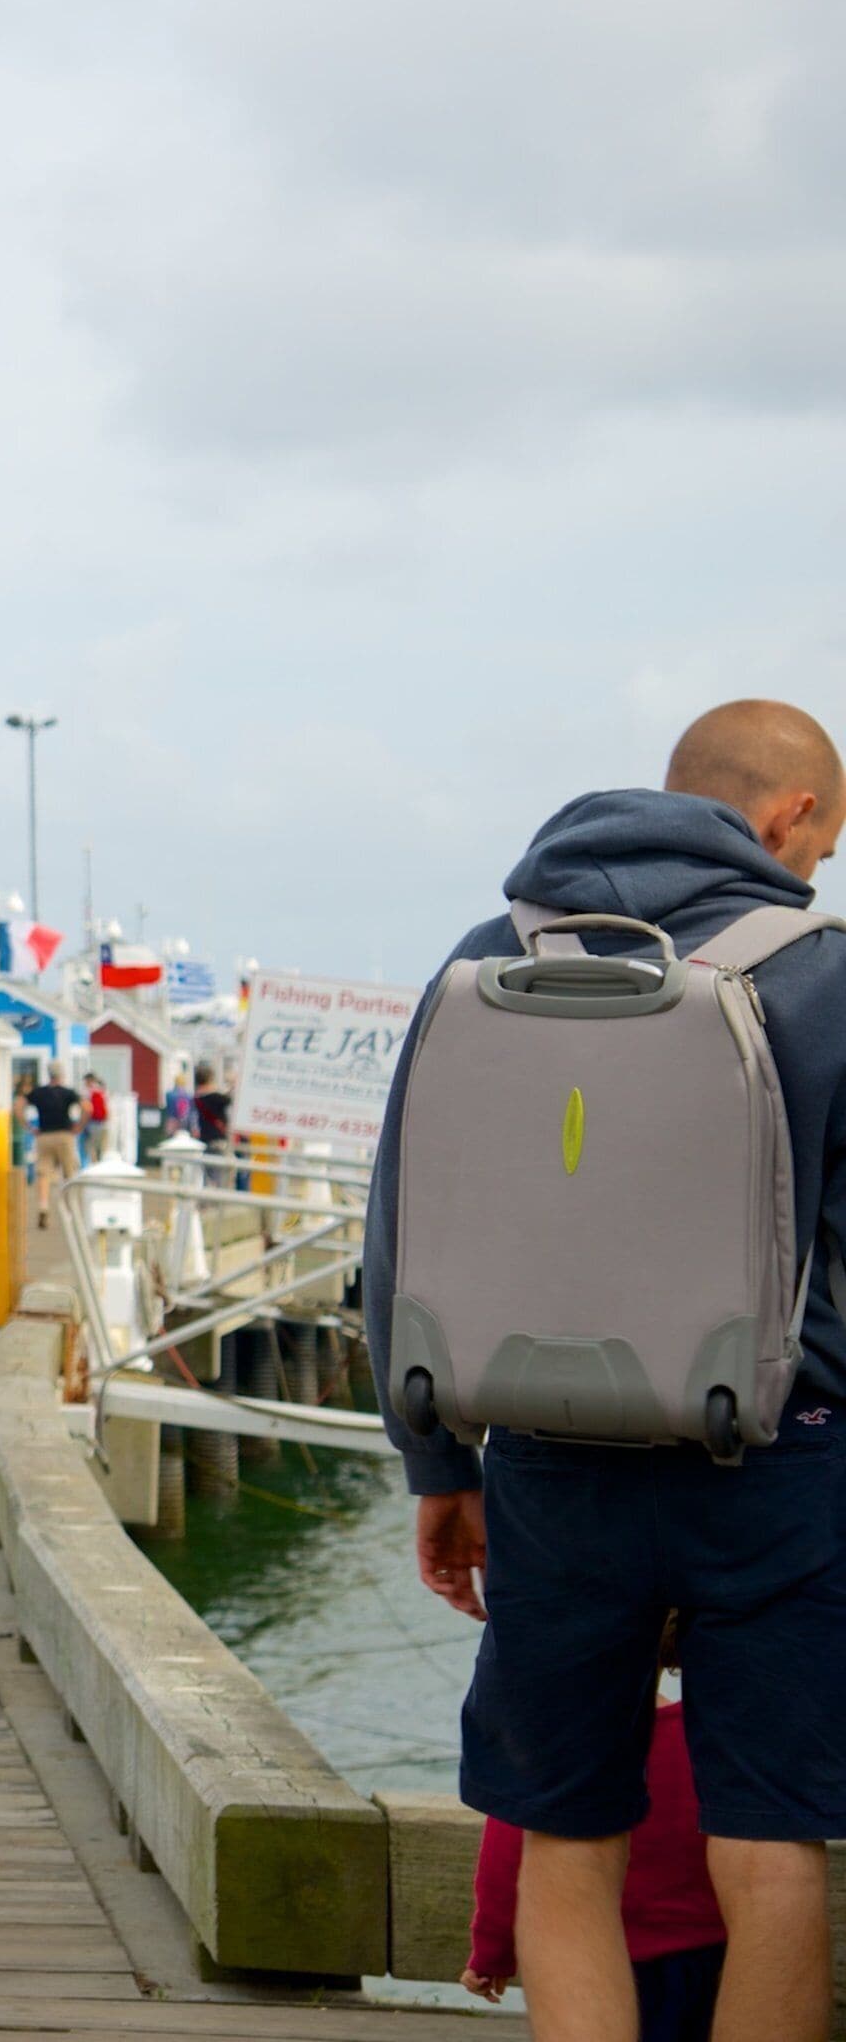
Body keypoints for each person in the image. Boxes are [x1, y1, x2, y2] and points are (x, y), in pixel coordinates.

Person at [368, 698, 846, 2041]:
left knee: (567, 1840)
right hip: (779, 1458)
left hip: (546, 1453)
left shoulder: (485, 957)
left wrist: (435, 1464)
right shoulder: (822, 970)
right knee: (772, 1851)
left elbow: (400, 1235)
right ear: (791, 816)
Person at [464, 1623, 724, 2041]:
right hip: (708, 1959)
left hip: (595, 1958)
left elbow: (504, 1861)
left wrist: (491, 1952)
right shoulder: (704, 1741)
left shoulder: (551, 1753)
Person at [24, 1067, 82, 1224]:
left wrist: (28, 1126)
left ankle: (43, 1207)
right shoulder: (68, 1093)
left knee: (43, 1173)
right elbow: (87, 1107)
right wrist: (79, 1126)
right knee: (69, 1172)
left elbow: (18, 1105)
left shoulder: (38, 1093)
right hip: (65, 1135)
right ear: (62, 1075)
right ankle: (72, 1210)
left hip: (44, 1136)